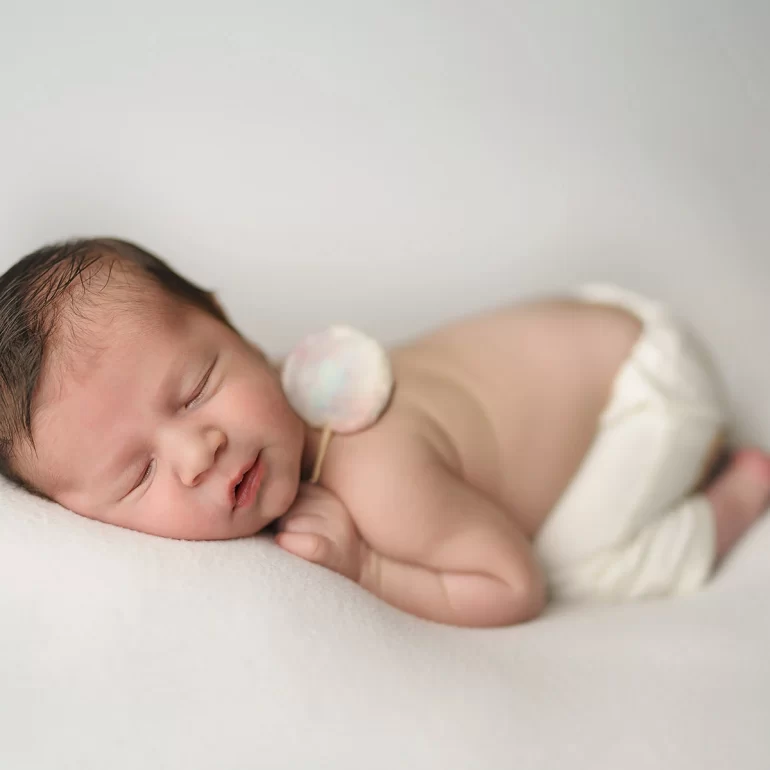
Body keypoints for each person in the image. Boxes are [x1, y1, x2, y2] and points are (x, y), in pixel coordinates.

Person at [1, 238, 767, 627]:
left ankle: (733, 495)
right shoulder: (298, 392)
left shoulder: (377, 477)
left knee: (574, 571)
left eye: (198, 387)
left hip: (644, 394)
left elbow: (513, 586)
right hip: (592, 322)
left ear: (233, 328)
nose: (198, 452)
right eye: (137, 474)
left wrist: (369, 568)